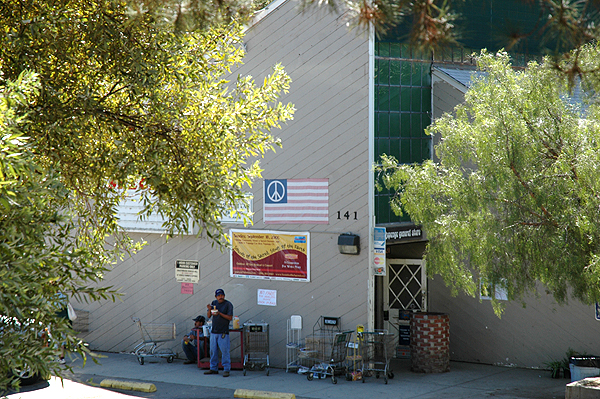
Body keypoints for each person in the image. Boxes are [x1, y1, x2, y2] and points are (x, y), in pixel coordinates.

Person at [204, 288, 233, 377]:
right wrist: (209, 309)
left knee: (225, 351)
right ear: (216, 297)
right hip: (214, 331)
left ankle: (226, 369)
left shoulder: (228, 304)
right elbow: (209, 316)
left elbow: (230, 317)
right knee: (213, 351)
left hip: (223, 332)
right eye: (218, 296)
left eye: (222, 295)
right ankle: (213, 368)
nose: (220, 297)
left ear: (224, 295)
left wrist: (219, 313)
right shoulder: (214, 303)